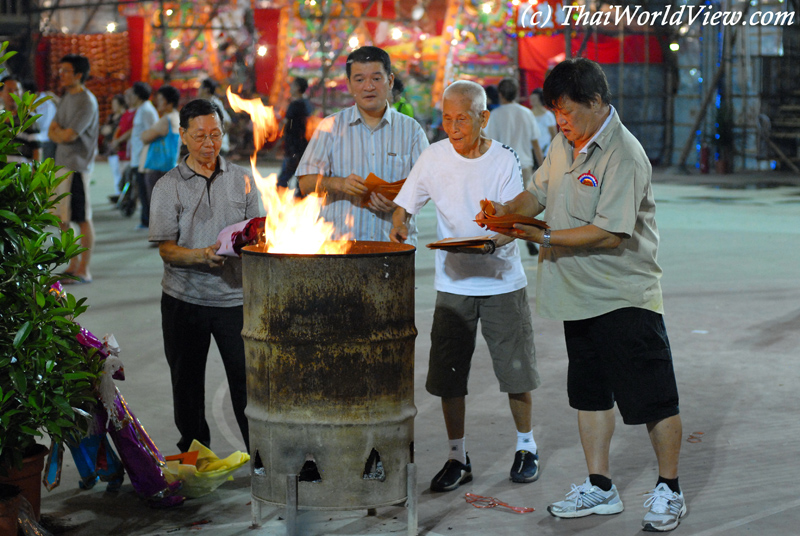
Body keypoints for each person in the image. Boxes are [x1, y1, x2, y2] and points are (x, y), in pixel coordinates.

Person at [481, 58, 685, 532]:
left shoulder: (624, 154)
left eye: (568, 111)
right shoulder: (562, 145)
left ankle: (669, 490)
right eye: (555, 113)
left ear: (596, 101)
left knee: (654, 400)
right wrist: (504, 216)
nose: (561, 122)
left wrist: (539, 235)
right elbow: (535, 196)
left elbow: (609, 233)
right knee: (590, 397)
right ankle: (601, 487)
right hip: (577, 297)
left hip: (623, 296)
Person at [390, 80, 541, 492]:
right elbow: (405, 206)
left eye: (462, 119)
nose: (453, 128)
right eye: (446, 119)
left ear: (483, 118)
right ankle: (458, 455)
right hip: (454, 284)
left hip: (501, 282)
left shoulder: (504, 160)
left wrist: (494, 240)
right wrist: (400, 226)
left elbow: (516, 221)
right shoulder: (433, 157)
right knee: (448, 377)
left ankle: (526, 447)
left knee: (516, 372)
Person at [149, 98, 258, 453]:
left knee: (248, 384)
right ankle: (196, 455)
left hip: (234, 300)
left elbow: (260, 231)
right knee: (187, 385)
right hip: (185, 299)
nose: (209, 144)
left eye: (215, 135)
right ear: (182, 135)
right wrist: (200, 256)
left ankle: (261, 456)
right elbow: (166, 248)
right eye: (199, 136)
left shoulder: (242, 179)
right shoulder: (168, 186)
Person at [296, 46, 428, 244]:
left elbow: (427, 184)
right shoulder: (330, 127)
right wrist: (339, 184)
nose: (368, 87)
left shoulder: (411, 130)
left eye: (376, 78)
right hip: (340, 249)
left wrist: (402, 204)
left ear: (390, 81)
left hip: (393, 246)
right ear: (349, 85)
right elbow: (305, 183)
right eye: (359, 79)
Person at [49, 54, 99, 285]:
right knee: (63, 219)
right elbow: (52, 130)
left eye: (66, 70)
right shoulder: (67, 97)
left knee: (81, 219)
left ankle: (84, 270)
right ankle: (72, 264)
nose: (62, 75)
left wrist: (61, 134)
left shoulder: (87, 101)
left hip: (77, 167)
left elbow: (69, 134)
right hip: (62, 166)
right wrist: (60, 134)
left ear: (79, 74)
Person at [484, 78, 543, 256]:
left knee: (505, 209)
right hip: (525, 164)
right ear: (517, 93)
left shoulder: (495, 116)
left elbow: (489, 145)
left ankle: (507, 245)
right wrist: (541, 166)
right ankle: (528, 239)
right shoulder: (526, 113)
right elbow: (535, 143)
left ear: (500, 94)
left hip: (502, 168)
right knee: (527, 207)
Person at [141, 85, 181, 205]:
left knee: (157, 205)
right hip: (170, 164)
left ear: (169, 103)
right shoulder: (177, 116)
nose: (157, 102)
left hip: (158, 167)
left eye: (161, 99)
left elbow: (145, 137)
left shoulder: (166, 119)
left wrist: (145, 133)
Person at [127, 82, 159, 229]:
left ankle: (147, 220)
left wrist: (145, 157)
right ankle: (145, 219)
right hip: (137, 156)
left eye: (132, 94)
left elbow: (152, 133)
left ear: (138, 95)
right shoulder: (141, 109)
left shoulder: (146, 110)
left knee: (145, 191)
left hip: (143, 157)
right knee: (141, 190)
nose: (129, 97)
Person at [276, 76, 312, 192]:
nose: (289, 88)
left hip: (294, 146)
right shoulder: (306, 103)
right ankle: (298, 203)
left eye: (292, 85)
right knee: (301, 178)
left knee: (284, 178)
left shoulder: (295, 105)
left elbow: (287, 123)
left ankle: (280, 204)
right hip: (304, 146)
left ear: (297, 88)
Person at [1, 75, 40, 163]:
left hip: (21, 173)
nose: (13, 94)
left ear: (22, 93)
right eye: (9, 90)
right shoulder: (0, 118)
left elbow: (37, 150)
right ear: (1, 93)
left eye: (17, 90)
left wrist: (35, 174)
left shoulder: (28, 120)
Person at [108, 91, 135, 203]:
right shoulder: (126, 114)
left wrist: (118, 140)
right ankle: (122, 197)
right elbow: (119, 129)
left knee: (128, 176)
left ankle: (127, 199)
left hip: (128, 151)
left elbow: (131, 131)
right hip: (119, 150)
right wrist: (115, 140)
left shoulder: (136, 113)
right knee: (119, 174)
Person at [101, 94, 127, 199]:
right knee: (115, 172)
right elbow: (103, 129)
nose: (113, 106)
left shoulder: (123, 117)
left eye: (115, 104)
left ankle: (122, 195)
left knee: (121, 172)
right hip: (110, 149)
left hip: (120, 149)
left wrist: (110, 130)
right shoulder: (111, 117)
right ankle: (118, 194)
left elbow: (117, 131)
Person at [197, 78, 232, 155]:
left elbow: (227, 121)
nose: (198, 90)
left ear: (206, 90)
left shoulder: (214, 103)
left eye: (200, 87)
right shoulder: (206, 104)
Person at [529, 88, 557, 159]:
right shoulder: (528, 114)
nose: (532, 100)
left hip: (546, 151)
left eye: (535, 99)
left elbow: (554, 135)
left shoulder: (548, 115)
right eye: (532, 98)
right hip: (531, 151)